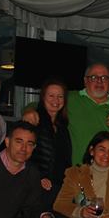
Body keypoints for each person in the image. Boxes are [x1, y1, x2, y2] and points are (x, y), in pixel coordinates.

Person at [28, 78, 72, 208]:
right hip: (38, 186)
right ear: (43, 97)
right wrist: (39, 177)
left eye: (60, 96)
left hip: (58, 187)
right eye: (51, 96)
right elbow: (21, 155)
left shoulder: (62, 127)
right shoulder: (33, 122)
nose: (56, 100)